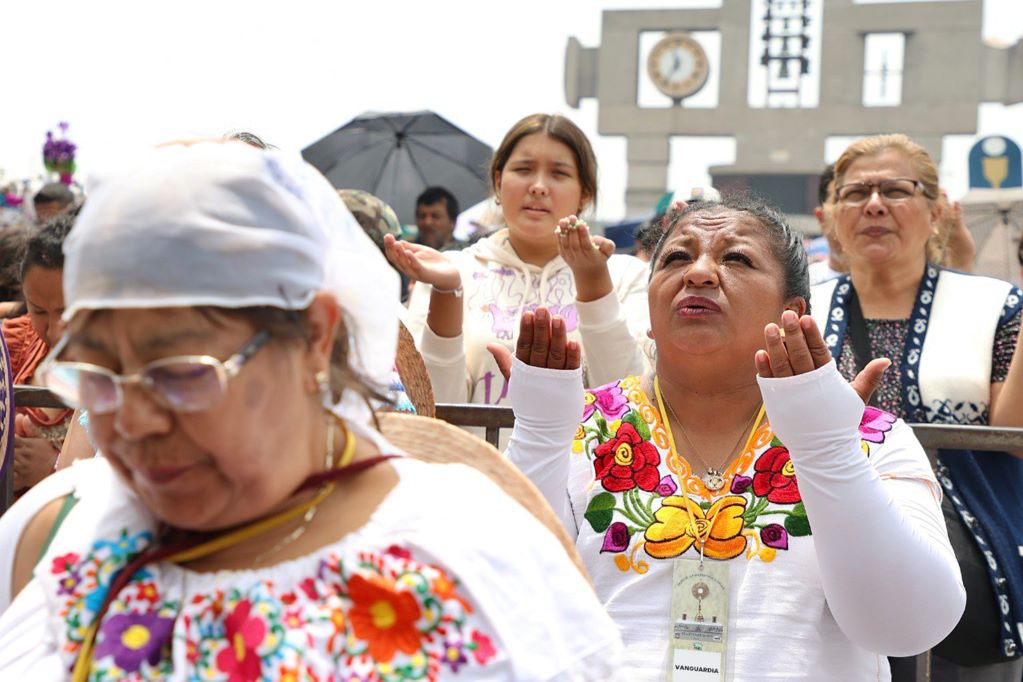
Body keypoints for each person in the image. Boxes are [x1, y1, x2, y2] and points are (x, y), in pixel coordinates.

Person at [0, 141, 621, 679]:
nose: (133, 424)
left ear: (315, 339)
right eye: (101, 378)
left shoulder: (472, 566)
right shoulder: (58, 535)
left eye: (181, 376)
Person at [501, 196, 965, 680]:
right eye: (677, 258)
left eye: (736, 258)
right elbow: (508, 603)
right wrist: (539, 437)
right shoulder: (581, 425)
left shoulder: (865, 435)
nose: (698, 273)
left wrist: (829, 452)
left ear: (793, 310)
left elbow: (908, 628)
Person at [810, 133, 1023, 681]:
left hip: (968, 567)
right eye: (855, 193)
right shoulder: (796, 305)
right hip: (812, 561)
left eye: (896, 190)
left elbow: (1014, 434)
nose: (875, 205)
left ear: (935, 212)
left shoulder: (995, 305)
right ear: (831, 216)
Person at [389, 113, 649, 412]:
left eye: (559, 173)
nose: (538, 186)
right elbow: (434, 412)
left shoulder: (625, 277)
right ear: (498, 182)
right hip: (473, 460)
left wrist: (594, 286)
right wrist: (448, 294)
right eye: (523, 169)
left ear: (585, 193)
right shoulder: (448, 272)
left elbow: (627, 406)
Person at [3, 208, 77, 492]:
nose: (54, 329)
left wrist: (55, 466)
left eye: (67, 311)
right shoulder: (18, 341)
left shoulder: (124, 364)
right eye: (39, 311)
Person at [415, 186, 463, 251]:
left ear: (453, 222)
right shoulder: (405, 255)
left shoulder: (469, 256)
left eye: (435, 216)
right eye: (422, 216)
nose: (427, 222)